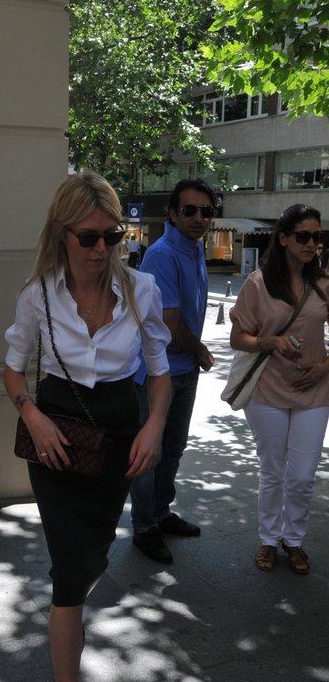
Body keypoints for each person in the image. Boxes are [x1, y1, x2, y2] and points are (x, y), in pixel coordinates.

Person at [4, 171, 171, 682]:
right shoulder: (38, 296)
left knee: (93, 557)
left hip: (119, 436)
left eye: (112, 236)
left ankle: (70, 606)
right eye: (88, 237)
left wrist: (154, 427)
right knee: (71, 573)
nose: (102, 249)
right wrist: (31, 414)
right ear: (61, 232)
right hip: (56, 438)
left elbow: (158, 368)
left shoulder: (141, 289)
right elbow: (13, 368)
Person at [229, 204, 329, 575]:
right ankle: (270, 540)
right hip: (268, 390)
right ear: (284, 238)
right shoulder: (258, 284)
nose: (311, 244)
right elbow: (238, 338)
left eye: (317, 237)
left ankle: (294, 539)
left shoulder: (324, 284)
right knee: (273, 470)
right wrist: (268, 341)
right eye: (303, 236)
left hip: (315, 391)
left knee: (302, 475)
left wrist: (325, 367)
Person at [130, 179, 217, 564]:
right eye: (190, 210)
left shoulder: (194, 248)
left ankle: (161, 513)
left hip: (185, 370)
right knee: (148, 454)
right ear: (172, 213)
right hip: (156, 373)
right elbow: (168, 324)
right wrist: (199, 349)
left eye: (206, 211)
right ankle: (144, 527)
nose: (199, 218)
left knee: (173, 449)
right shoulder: (163, 255)